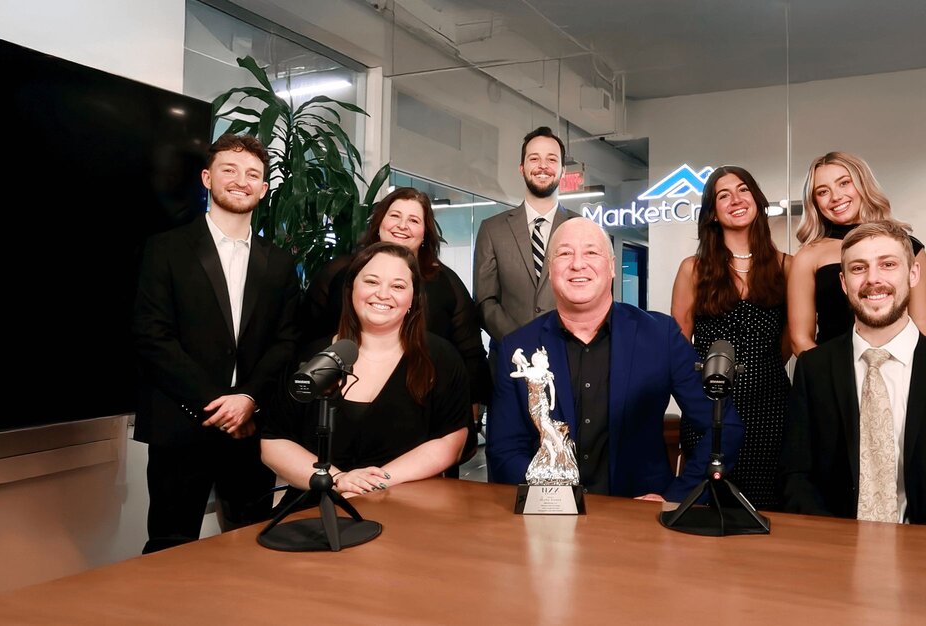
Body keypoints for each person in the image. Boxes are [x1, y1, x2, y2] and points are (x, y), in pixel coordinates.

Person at [487, 218, 743, 502]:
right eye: (564, 253)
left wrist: (678, 497)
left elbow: (723, 426)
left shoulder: (661, 336)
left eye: (591, 252)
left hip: (639, 524)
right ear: (550, 268)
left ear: (611, 267)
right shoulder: (518, 347)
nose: (577, 264)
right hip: (546, 523)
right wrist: (548, 498)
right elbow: (503, 449)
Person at [133, 134, 300, 553]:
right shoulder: (165, 249)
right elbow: (153, 336)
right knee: (170, 546)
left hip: (250, 428)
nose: (240, 181)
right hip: (180, 425)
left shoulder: (279, 263)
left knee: (253, 545)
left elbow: (287, 341)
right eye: (229, 170)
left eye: (252, 175)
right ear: (207, 178)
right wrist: (216, 402)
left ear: (263, 190)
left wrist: (247, 399)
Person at [301, 187, 490, 470]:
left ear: (425, 233)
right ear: (379, 222)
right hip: (344, 411)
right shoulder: (337, 274)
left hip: (421, 413)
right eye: (395, 216)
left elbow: (470, 352)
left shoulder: (447, 283)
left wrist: (468, 422)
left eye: (414, 220)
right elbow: (308, 339)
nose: (402, 225)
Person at [262, 243, 470, 499]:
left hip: (406, 508)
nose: (383, 294)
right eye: (371, 281)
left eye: (398, 286)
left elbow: (451, 442)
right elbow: (273, 442)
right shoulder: (312, 357)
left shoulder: (440, 357)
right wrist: (338, 481)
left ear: (413, 299)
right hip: (318, 510)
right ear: (352, 290)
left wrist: (371, 484)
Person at [780, 221, 924, 524]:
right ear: (844, 283)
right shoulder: (814, 368)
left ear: (913, 274)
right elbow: (797, 477)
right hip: (836, 553)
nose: (873, 279)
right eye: (859, 268)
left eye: (887, 264)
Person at [670, 166, 791, 510]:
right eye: (724, 195)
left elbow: (789, 341)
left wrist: (758, 371)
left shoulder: (787, 266)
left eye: (743, 190)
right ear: (712, 212)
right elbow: (679, 343)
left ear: (757, 199)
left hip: (772, 409)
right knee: (706, 509)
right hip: (711, 411)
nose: (736, 200)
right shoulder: (693, 268)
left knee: (765, 512)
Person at [787, 151, 926, 356]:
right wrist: (830, 379)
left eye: (844, 183)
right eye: (823, 191)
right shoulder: (807, 257)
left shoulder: (908, 246)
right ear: (815, 202)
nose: (835, 197)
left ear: (862, 184)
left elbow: (921, 322)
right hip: (831, 375)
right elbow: (800, 340)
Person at [475, 126, 579, 344]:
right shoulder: (492, 230)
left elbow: (595, 297)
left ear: (563, 171)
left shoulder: (581, 228)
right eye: (534, 159)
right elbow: (485, 300)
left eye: (552, 159)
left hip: (570, 356)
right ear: (522, 168)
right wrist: (521, 341)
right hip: (510, 360)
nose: (543, 166)